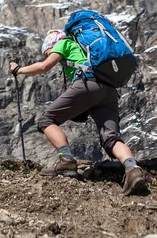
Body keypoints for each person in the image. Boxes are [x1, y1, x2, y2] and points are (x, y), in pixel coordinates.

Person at [8, 29, 148, 196]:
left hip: (88, 84)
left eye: (48, 51)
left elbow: (45, 66)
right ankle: (133, 169)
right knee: (111, 138)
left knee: (47, 120)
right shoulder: (86, 49)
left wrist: (18, 70)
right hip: (109, 90)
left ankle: (66, 161)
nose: (49, 54)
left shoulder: (64, 43)